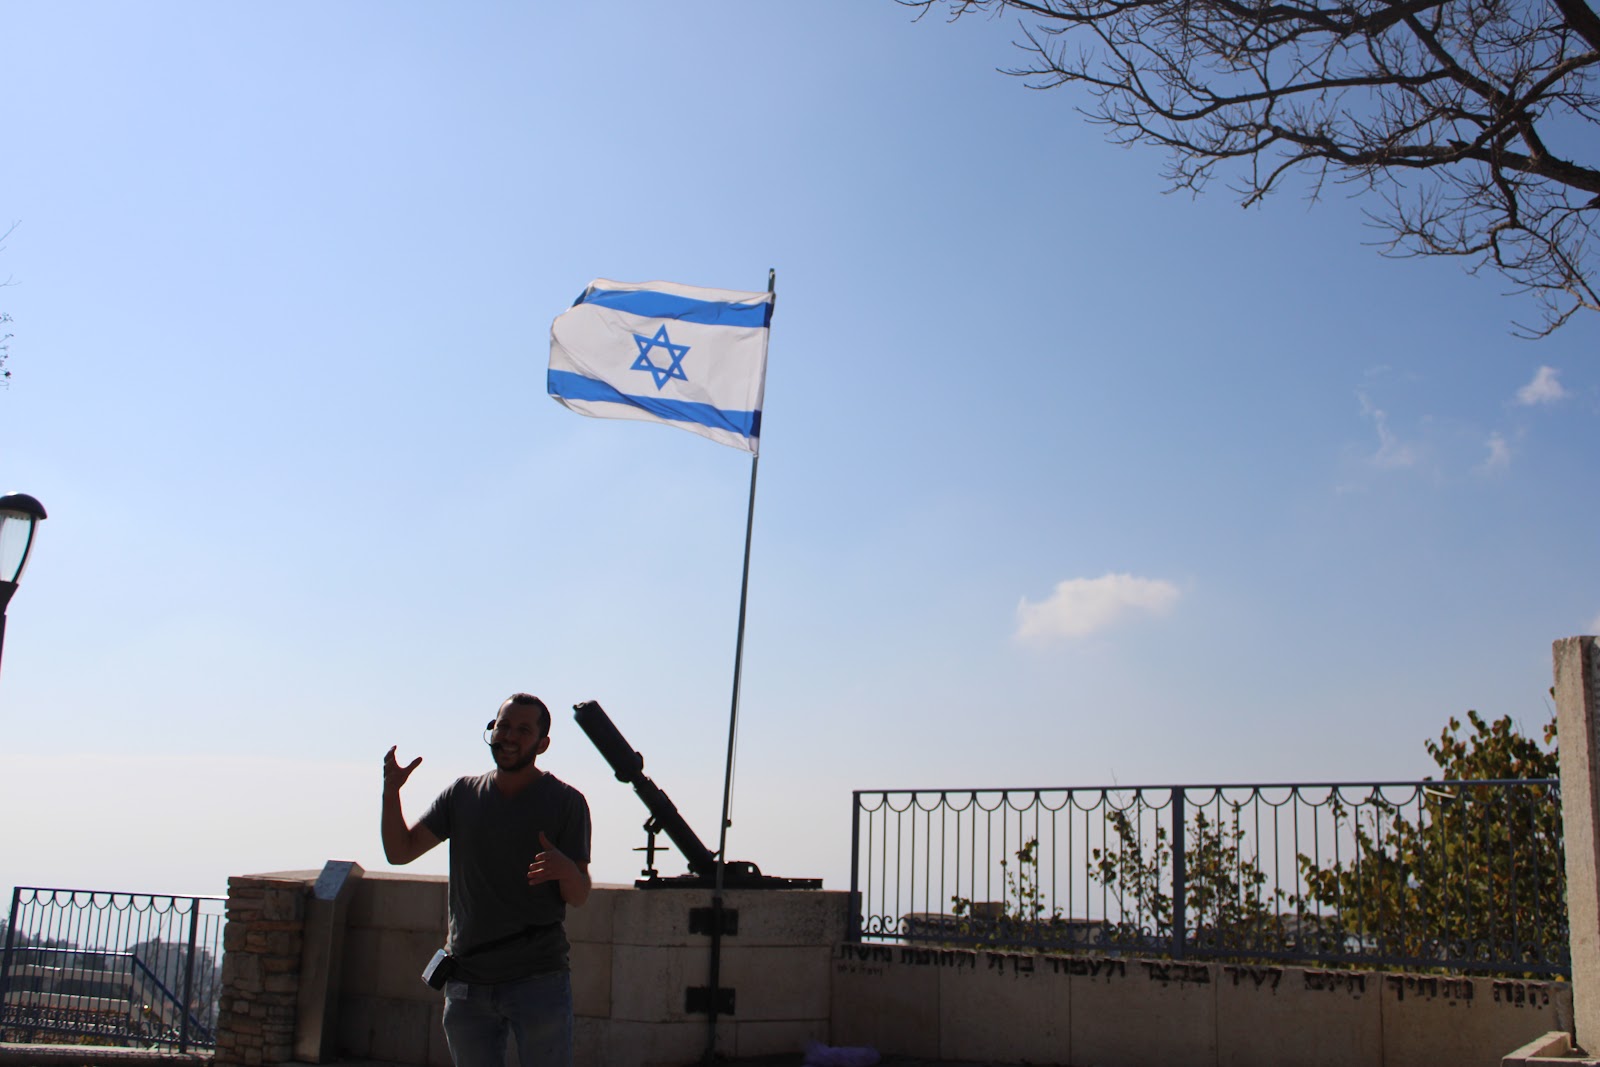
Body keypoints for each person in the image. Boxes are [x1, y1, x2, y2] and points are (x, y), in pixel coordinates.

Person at [382, 693, 592, 1067]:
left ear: (542, 744)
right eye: (503, 726)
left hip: (538, 979)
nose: (509, 736)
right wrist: (390, 793)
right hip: (467, 979)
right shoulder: (462, 794)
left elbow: (578, 895)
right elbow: (400, 852)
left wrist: (566, 870)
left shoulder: (566, 802)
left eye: (523, 730)